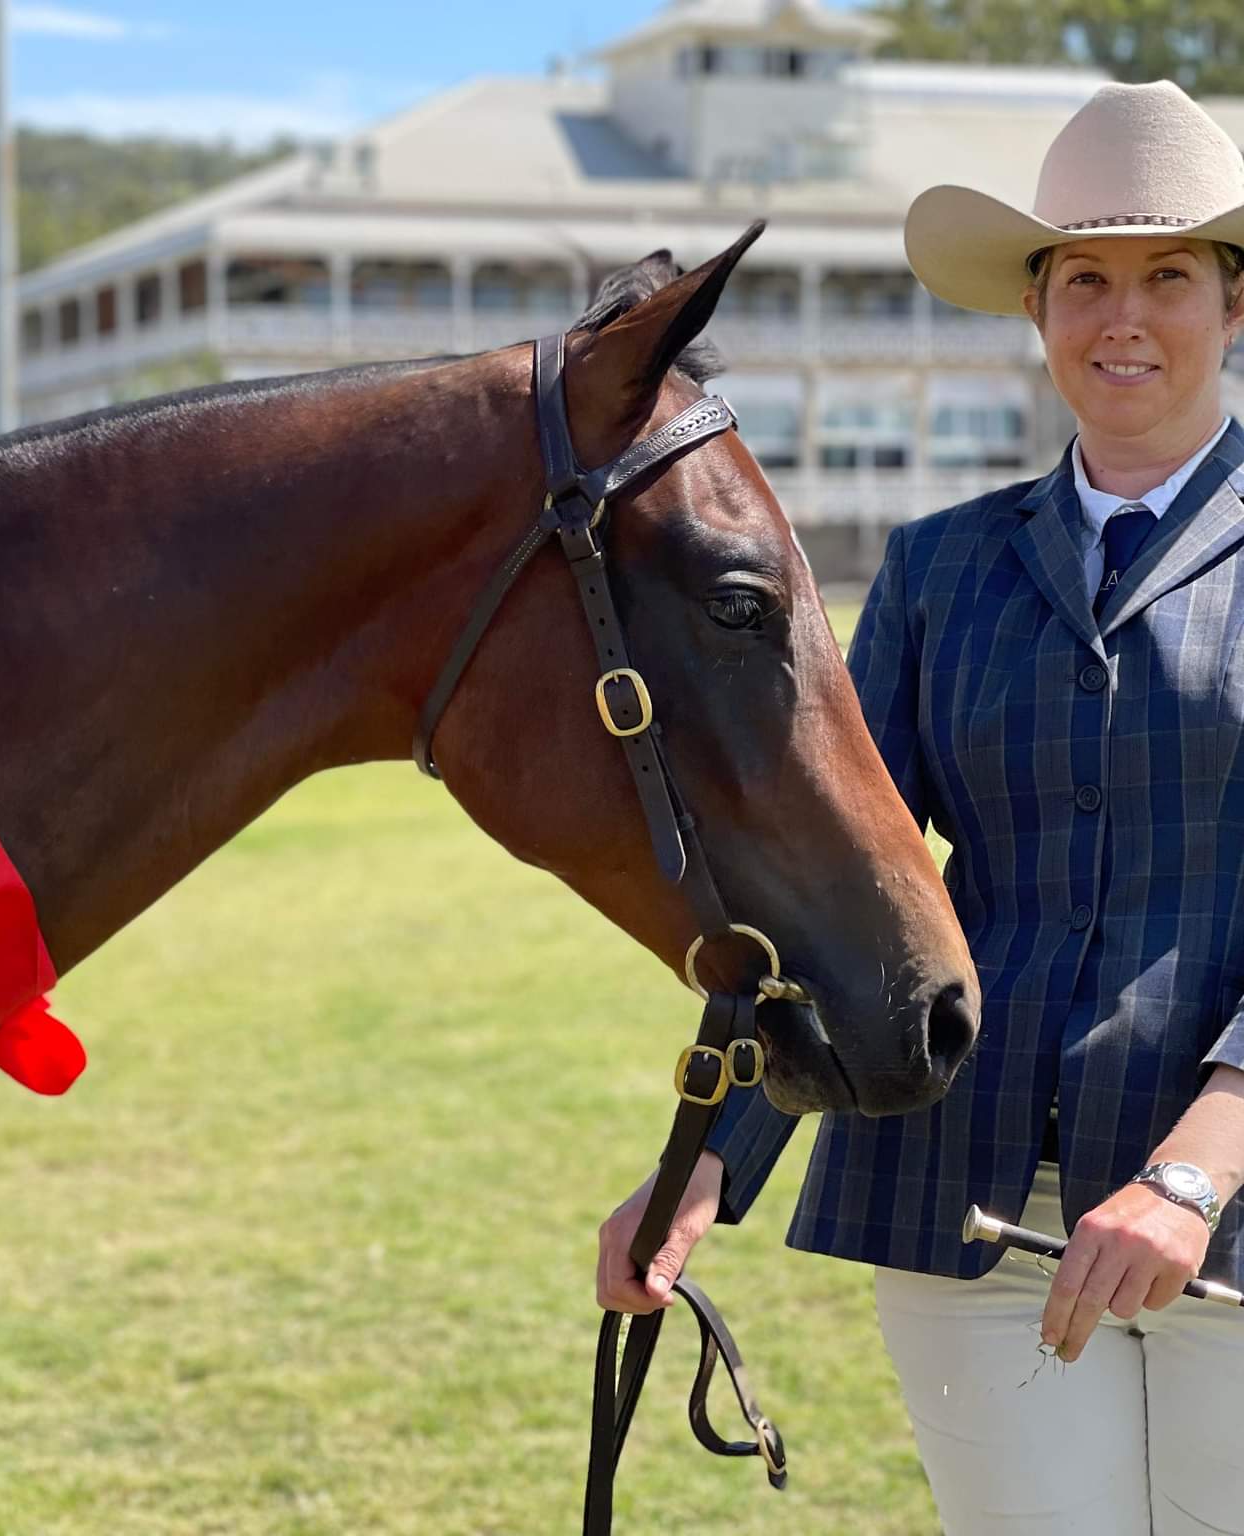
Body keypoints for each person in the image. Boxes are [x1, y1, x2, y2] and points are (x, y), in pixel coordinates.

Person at [597, 81, 1244, 1534]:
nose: (1122, 318)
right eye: (1084, 279)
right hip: (968, 1203)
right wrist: (703, 1162)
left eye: (1167, 277)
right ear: (1035, 305)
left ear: (1234, 304)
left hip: (1229, 1209)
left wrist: (1199, 1172)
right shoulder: (940, 567)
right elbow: (824, 882)